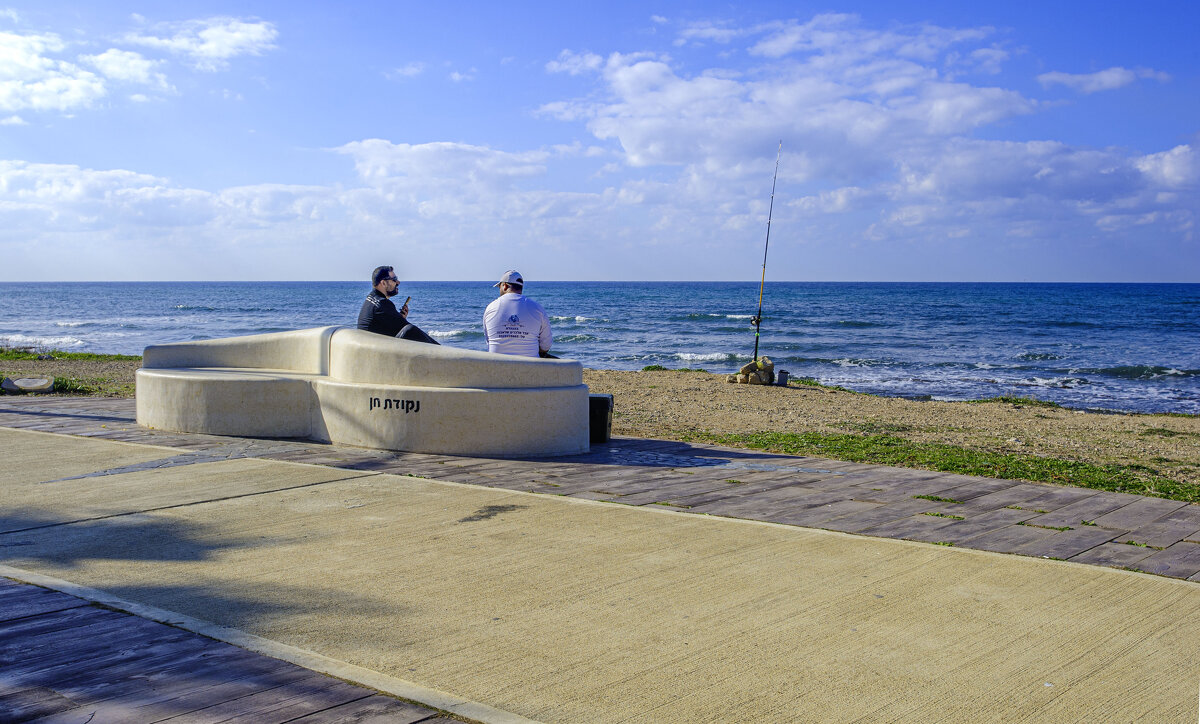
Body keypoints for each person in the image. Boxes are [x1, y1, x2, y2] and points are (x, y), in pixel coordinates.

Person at [357, 265, 439, 344]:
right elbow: (405, 328)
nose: (398, 282)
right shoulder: (382, 303)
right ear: (383, 283)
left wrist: (401, 318)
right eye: (394, 279)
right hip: (375, 351)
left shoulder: (371, 299)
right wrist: (402, 320)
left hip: (371, 346)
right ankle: (443, 352)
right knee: (410, 330)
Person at [483, 270, 553, 358]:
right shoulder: (537, 308)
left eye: (499, 287)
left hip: (497, 369)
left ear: (504, 286)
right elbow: (546, 346)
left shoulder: (490, 308)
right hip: (530, 369)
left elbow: (489, 341)